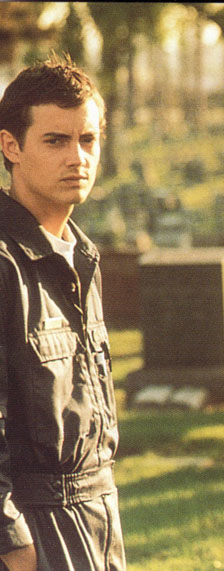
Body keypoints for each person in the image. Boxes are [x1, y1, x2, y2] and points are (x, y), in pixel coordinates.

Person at [0, 55, 126, 570]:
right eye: (56, 141)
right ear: (11, 146)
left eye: (88, 140)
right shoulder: (5, 264)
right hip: (33, 524)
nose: (78, 157)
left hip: (97, 515)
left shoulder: (81, 256)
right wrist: (11, 540)